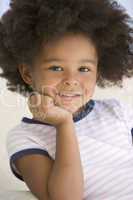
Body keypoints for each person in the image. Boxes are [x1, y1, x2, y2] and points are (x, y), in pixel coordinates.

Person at [0, 0, 133, 199]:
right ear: (27, 73)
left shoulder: (118, 112)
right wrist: (64, 124)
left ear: (97, 73)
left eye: (84, 69)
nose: (71, 80)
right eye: (56, 68)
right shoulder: (25, 137)